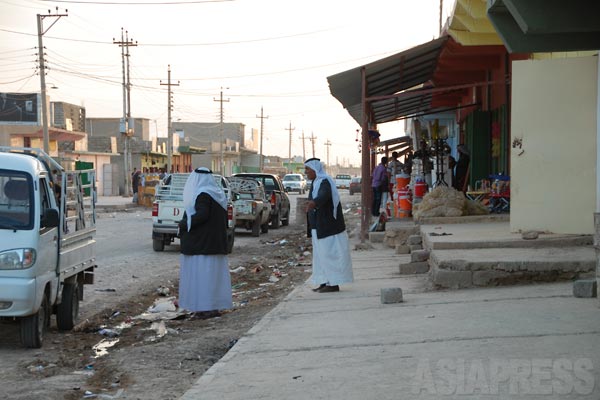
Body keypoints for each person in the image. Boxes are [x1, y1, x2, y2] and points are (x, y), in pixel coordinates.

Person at [178, 167, 232, 318]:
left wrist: (183, 224)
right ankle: (212, 307)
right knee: (212, 278)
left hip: (202, 245)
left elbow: (202, 215)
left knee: (202, 278)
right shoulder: (217, 193)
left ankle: (204, 308)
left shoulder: (203, 194)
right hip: (213, 244)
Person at [304, 158, 353, 293]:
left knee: (328, 255)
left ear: (315, 170)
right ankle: (324, 281)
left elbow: (323, 196)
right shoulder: (316, 182)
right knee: (320, 257)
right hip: (318, 227)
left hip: (327, 227)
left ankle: (333, 284)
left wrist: (314, 203)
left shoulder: (325, 182)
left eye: (307, 169)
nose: (306, 172)